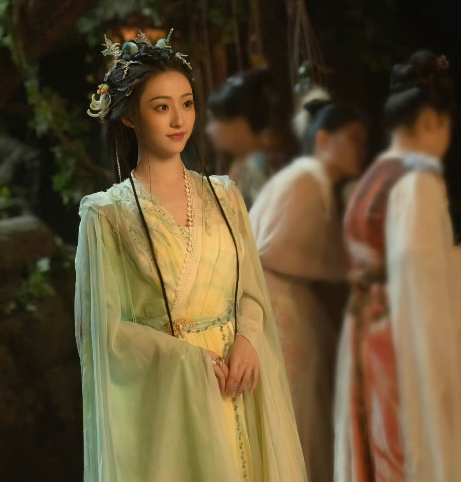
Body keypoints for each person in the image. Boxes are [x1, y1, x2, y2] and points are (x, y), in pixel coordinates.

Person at [76, 31, 306, 482]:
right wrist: (188, 360)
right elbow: (105, 333)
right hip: (173, 400)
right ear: (129, 116)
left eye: (186, 103)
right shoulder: (106, 215)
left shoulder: (225, 195)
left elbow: (250, 290)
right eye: (161, 107)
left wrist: (249, 339)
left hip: (241, 381)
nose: (179, 119)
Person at [333, 50, 461, 482]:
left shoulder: (374, 177)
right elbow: (419, 282)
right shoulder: (417, 182)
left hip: (368, 332)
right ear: (432, 122)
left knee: (380, 453)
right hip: (402, 341)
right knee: (413, 453)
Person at [250, 99, 368, 482]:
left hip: (291, 301)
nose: (361, 149)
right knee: (298, 412)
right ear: (323, 140)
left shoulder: (314, 181)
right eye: (353, 139)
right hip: (278, 304)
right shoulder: (303, 179)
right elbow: (268, 249)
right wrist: (340, 270)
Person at [205, 68, 283, 208]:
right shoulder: (241, 162)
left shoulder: (257, 165)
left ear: (239, 124)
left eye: (214, 120)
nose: (209, 129)